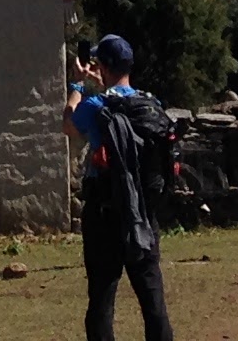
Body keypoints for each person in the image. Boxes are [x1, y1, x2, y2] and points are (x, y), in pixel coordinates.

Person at [69, 33, 176, 341]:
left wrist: (78, 85)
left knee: (102, 301)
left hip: (105, 216)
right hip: (143, 215)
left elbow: (69, 124)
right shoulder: (151, 104)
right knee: (153, 301)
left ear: (101, 66)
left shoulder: (95, 104)